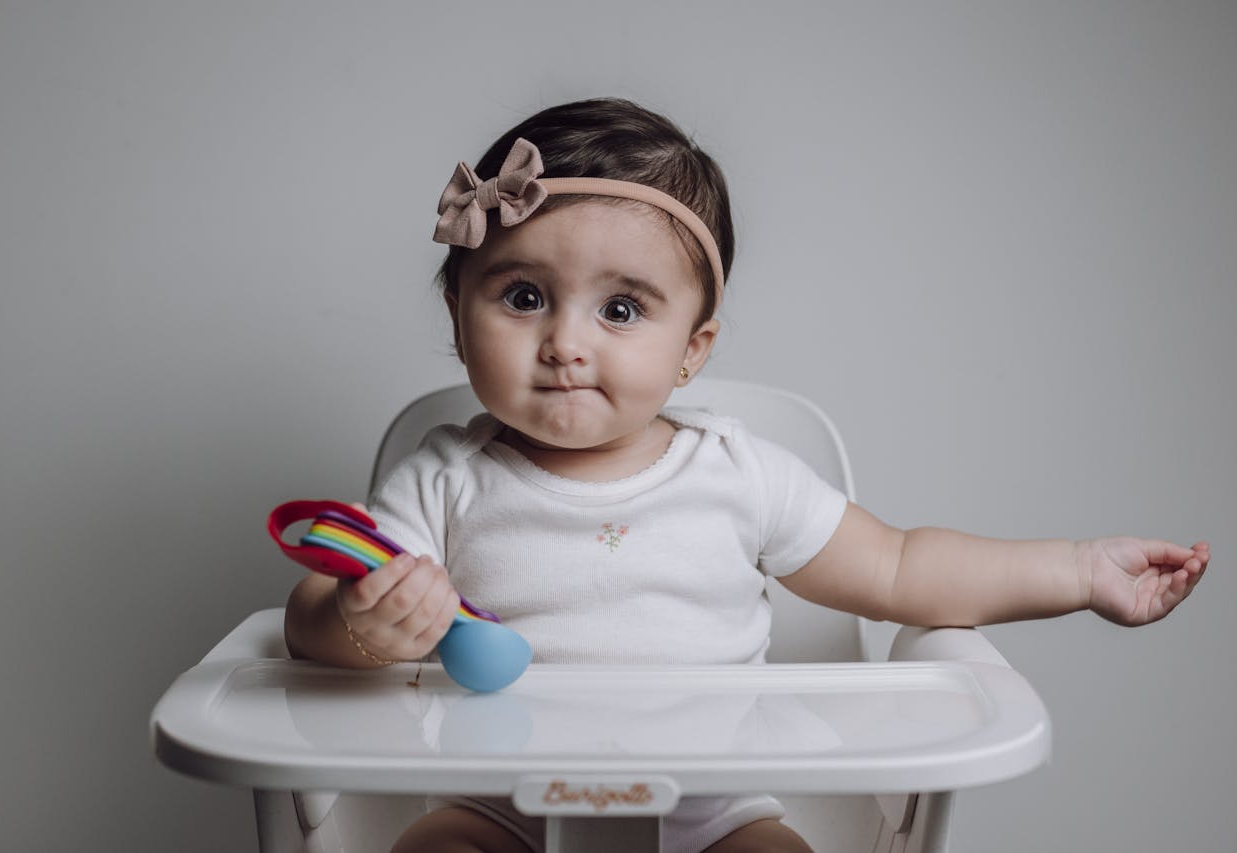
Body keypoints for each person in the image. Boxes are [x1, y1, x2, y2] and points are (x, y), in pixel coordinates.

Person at [284, 97, 1209, 853]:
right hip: (497, 800)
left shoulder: (738, 474)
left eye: (620, 308)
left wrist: (1079, 571)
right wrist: (362, 626)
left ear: (692, 350)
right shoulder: (443, 476)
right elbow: (312, 619)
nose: (566, 342)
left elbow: (899, 570)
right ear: (457, 313)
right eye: (523, 296)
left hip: (711, 806)